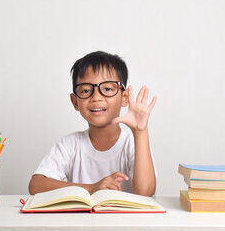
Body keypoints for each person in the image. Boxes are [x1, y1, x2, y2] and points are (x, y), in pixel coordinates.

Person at [28, 51, 157, 196]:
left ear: (124, 97)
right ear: (75, 101)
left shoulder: (133, 144)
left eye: (107, 89)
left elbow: (146, 192)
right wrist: (91, 188)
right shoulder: (70, 144)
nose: (96, 97)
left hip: (124, 219)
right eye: (86, 90)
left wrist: (140, 132)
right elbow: (36, 185)